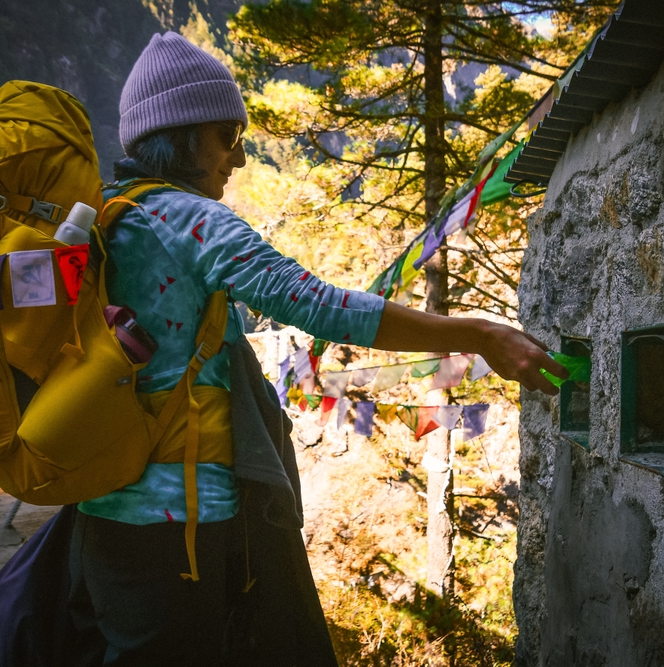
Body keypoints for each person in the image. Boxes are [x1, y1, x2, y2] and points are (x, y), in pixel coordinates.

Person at [67, 31, 567, 666]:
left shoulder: (101, 217)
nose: (240, 158)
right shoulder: (193, 221)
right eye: (228, 136)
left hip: (97, 503)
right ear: (185, 135)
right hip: (180, 527)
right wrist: (478, 332)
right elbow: (323, 307)